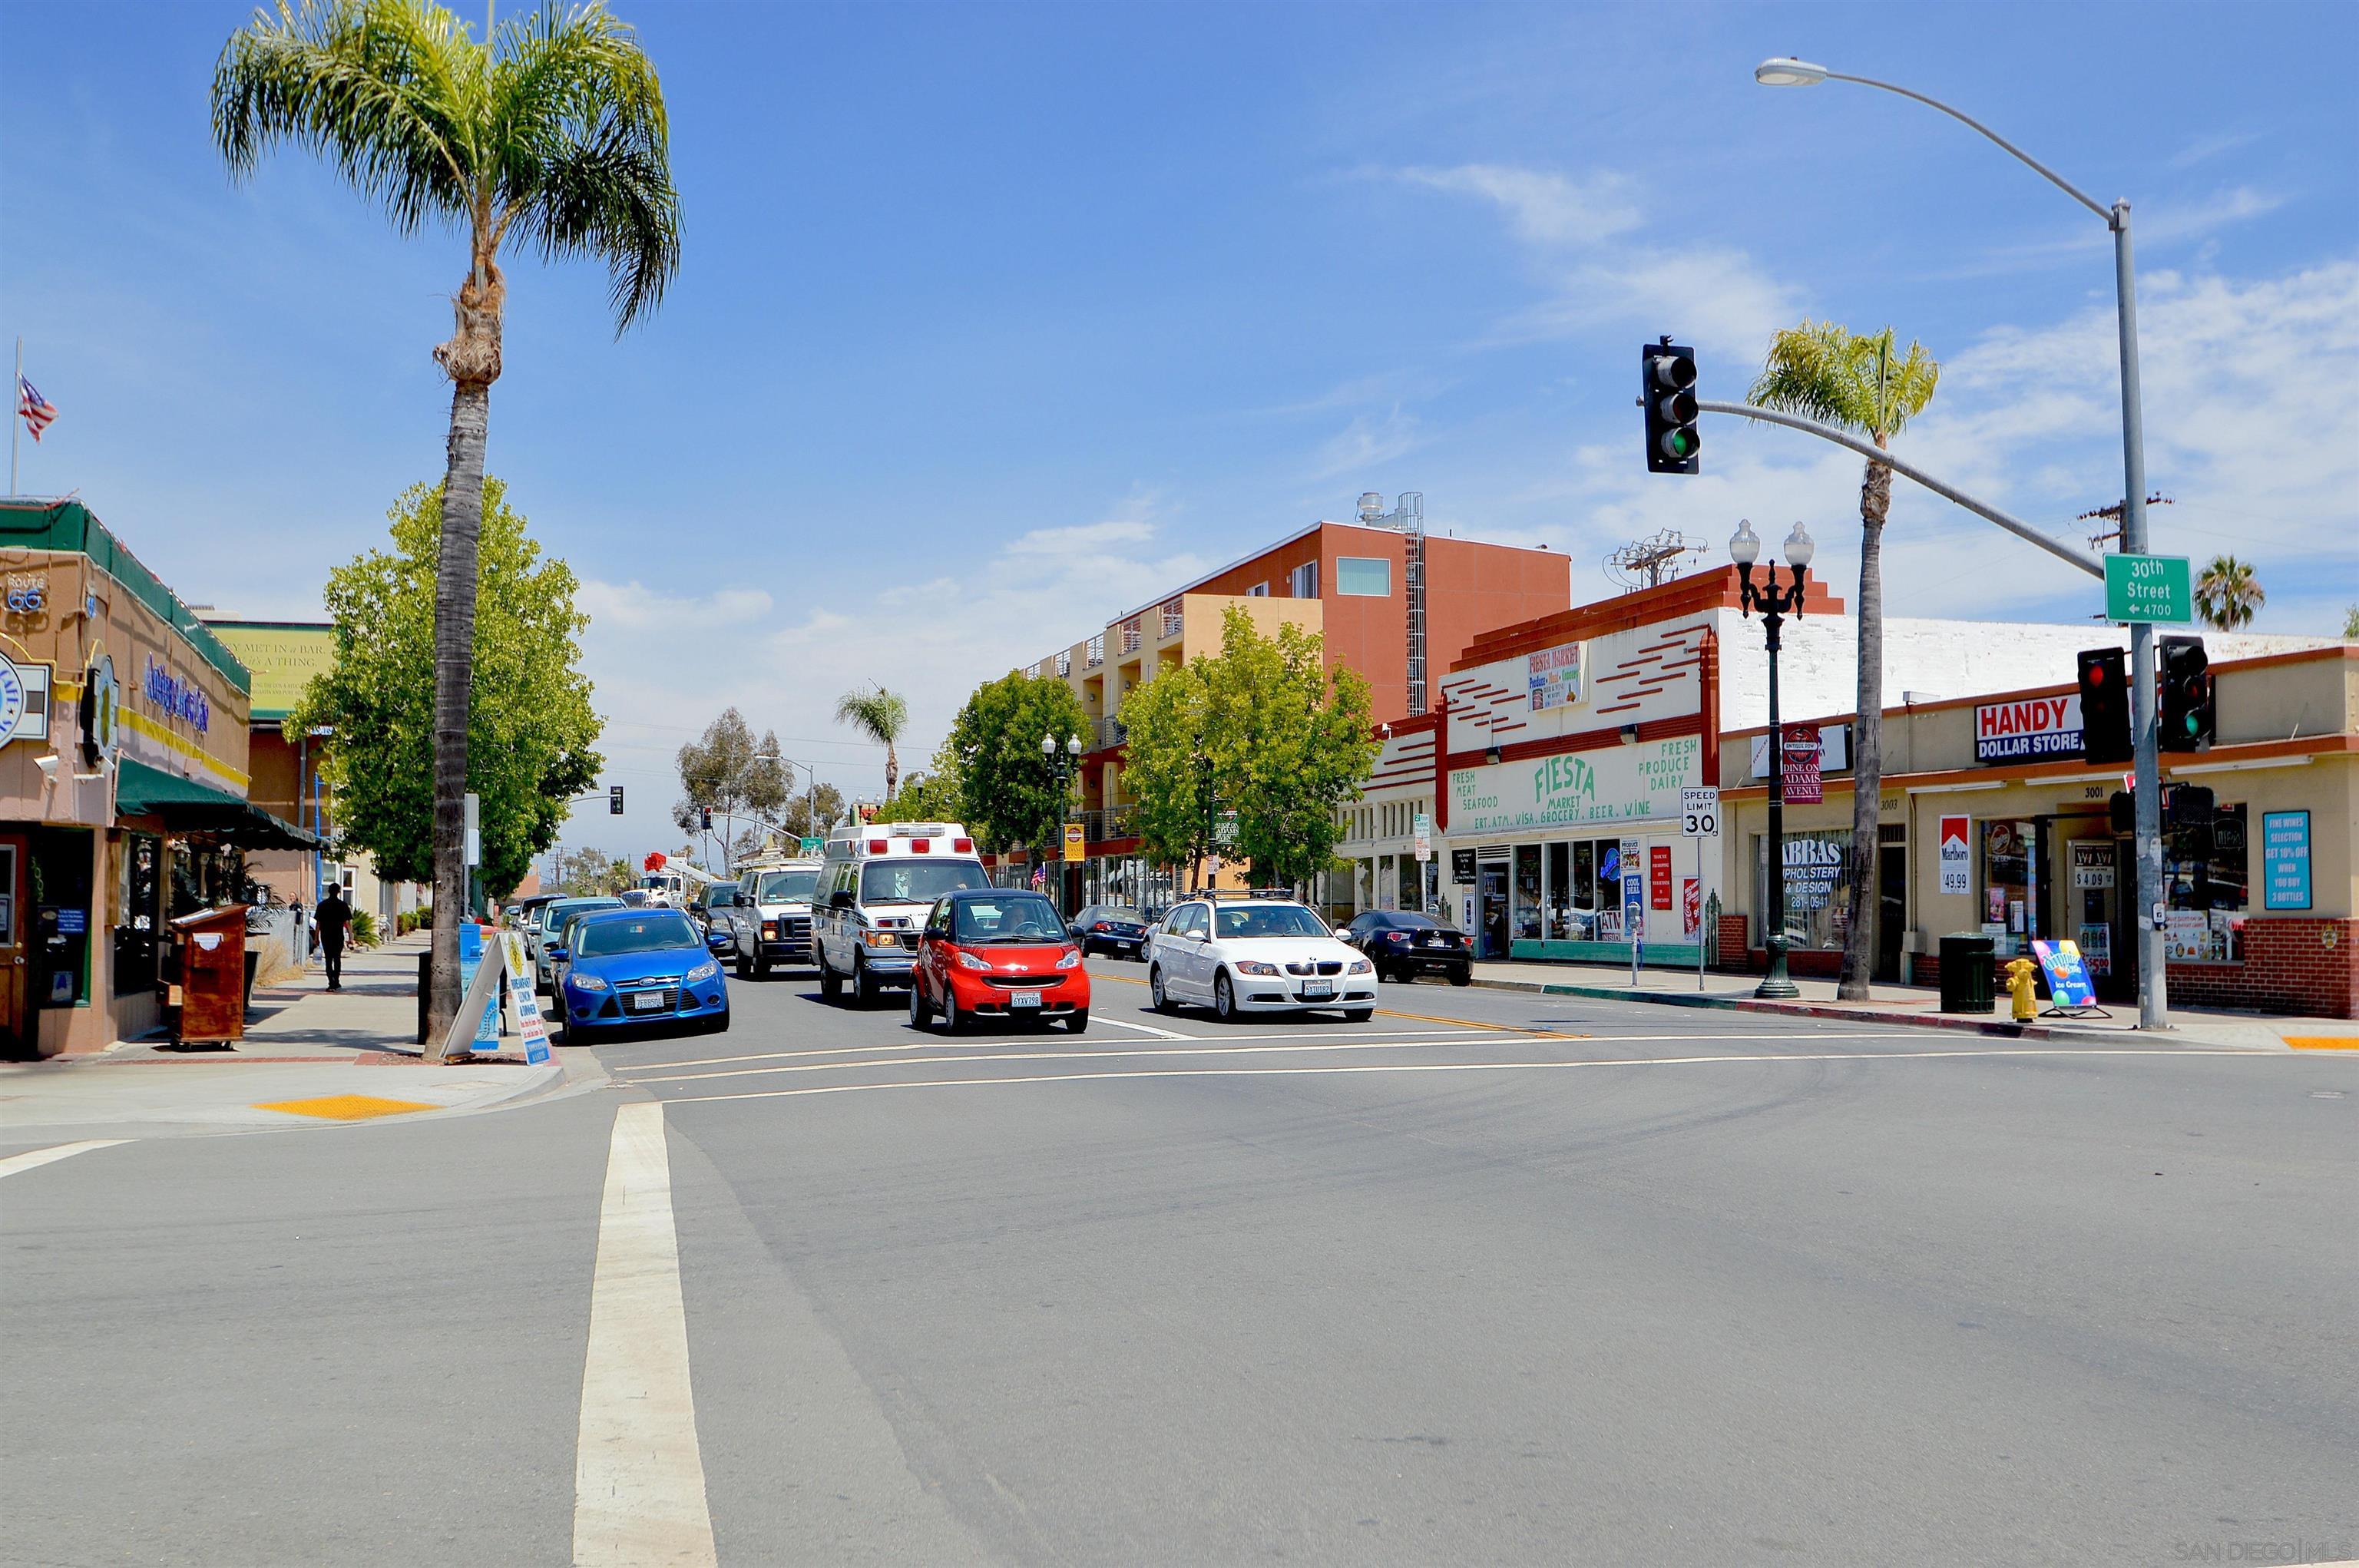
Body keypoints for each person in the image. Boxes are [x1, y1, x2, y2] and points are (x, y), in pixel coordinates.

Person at [315, 887, 352, 991]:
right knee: (337, 958)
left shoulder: (322, 905)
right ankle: (336, 980)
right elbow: (348, 923)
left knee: (328, 959)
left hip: (326, 935)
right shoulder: (343, 905)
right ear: (338, 892)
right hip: (338, 935)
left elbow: (319, 923)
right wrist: (351, 937)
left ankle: (331, 981)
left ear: (329, 891)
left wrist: (316, 937)